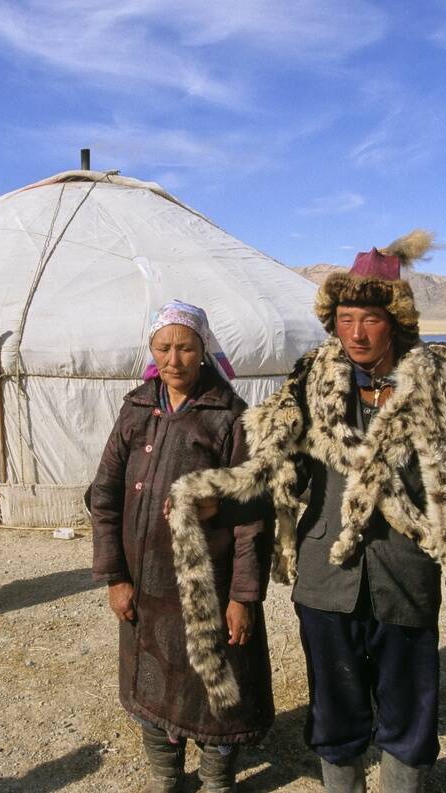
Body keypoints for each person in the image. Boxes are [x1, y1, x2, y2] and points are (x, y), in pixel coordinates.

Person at [169, 233, 446, 793]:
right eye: (345, 317)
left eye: (369, 318)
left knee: (409, 713)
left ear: (394, 320)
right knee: (335, 711)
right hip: (328, 577)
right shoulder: (309, 382)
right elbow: (281, 473)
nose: (355, 332)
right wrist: (218, 497)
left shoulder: (444, 388)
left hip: (409, 576)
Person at [89, 300, 273, 793]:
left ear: (203, 351)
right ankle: (166, 779)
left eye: (186, 348)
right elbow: (104, 495)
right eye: (164, 347)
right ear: (151, 351)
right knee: (151, 681)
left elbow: (252, 516)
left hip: (206, 589)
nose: (175, 359)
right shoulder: (135, 410)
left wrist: (243, 597)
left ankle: (216, 782)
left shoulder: (230, 418)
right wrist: (115, 576)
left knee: (217, 690)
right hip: (144, 584)